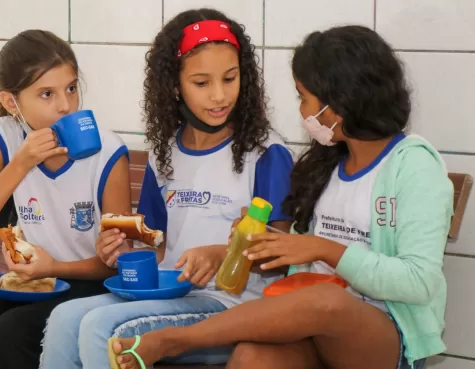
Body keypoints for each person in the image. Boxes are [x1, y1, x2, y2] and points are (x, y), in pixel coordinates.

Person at [110, 25, 454, 369]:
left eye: (304, 97)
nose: (302, 111)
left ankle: (174, 340)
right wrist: (253, 247)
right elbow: (299, 259)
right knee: (252, 357)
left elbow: (419, 281)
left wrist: (323, 249)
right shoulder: (327, 161)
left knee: (326, 300)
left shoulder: (413, 165)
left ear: (341, 100)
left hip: (382, 337)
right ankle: (176, 340)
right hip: (312, 329)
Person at [39, 8, 293, 369]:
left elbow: (281, 259)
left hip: (233, 307)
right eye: (202, 83)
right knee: (64, 317)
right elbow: (154, 245)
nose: (219, 96)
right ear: (175, 85)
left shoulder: (266, 153)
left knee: (102, 328)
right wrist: (121, 250)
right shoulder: (166, 152)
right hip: (171, 294)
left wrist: (223, 252)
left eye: (230, 78)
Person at [0, 30, 132, 369]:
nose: (65, 105)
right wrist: (20, 163)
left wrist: (54, 267)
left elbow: (117, 263)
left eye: (72, 88)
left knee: (13, 330)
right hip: (41, 285)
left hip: (94, 287)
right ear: (11, 102)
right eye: (46, 94)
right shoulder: (3, 137)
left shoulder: (108, 152)